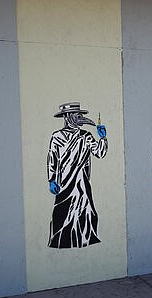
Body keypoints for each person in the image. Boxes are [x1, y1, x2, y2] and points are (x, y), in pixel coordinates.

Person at [47, 102, 107, 248]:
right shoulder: (57, 136)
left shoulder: (86, 136)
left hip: (81, 181)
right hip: (64, 181)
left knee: (86, 210)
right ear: (67, 117)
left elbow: (99, 153)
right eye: (76, 115)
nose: (80, 118)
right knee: (62, 211)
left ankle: (85, 239)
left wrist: (103, 138)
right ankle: (61, 240)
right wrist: (51, 179)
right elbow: (52, 159)